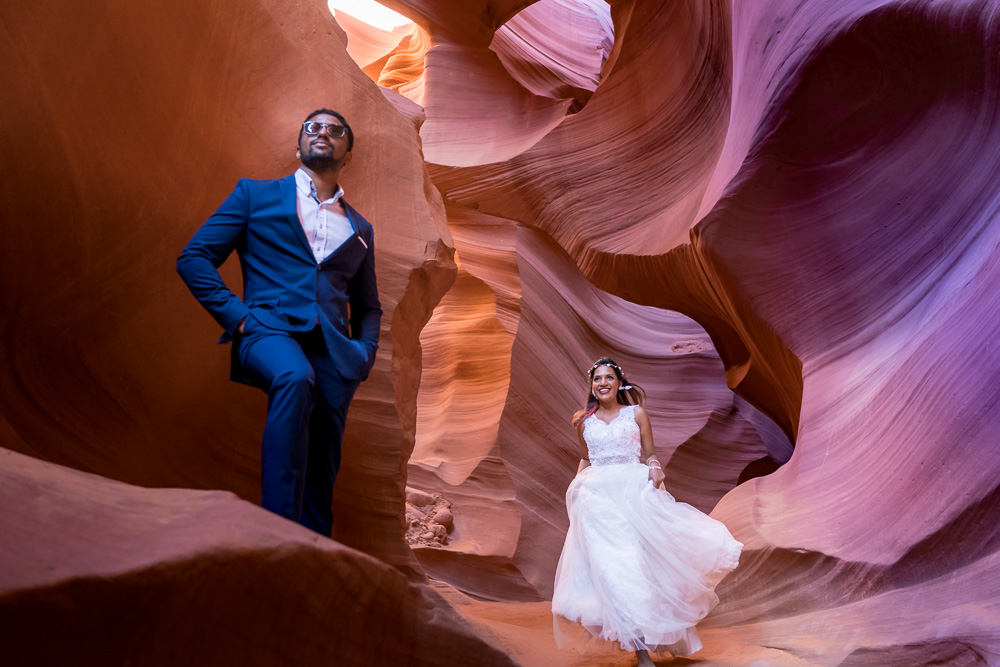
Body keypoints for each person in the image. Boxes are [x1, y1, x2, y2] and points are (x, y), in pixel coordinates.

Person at [176, 109, 381, 537]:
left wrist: (364, 354)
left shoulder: (361, 228)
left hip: (336, 352)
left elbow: (368, 307)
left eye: (334, 129)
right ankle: (276, 533)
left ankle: (314, 556)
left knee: (323, 462)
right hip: (266, 330)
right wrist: (239, 319)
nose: (322, 132)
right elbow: (194, 258)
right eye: (312, 127)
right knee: (293, 377)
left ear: (349, 152)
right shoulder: (254, 195)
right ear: (299, 145)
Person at [552, 357, 742, 665]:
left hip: (632, 493)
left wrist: (655, 468)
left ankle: (654, 638)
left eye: (608, 378)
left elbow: (651, 453)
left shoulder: (636, 414)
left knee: (637, 567)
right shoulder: (583, 421)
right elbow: (586, 459)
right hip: (596, 500)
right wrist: (574, 489)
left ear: (618, 383)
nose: (602, 383)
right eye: (597, 379)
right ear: (592, 385)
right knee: (612, 570)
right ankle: (641, 652)